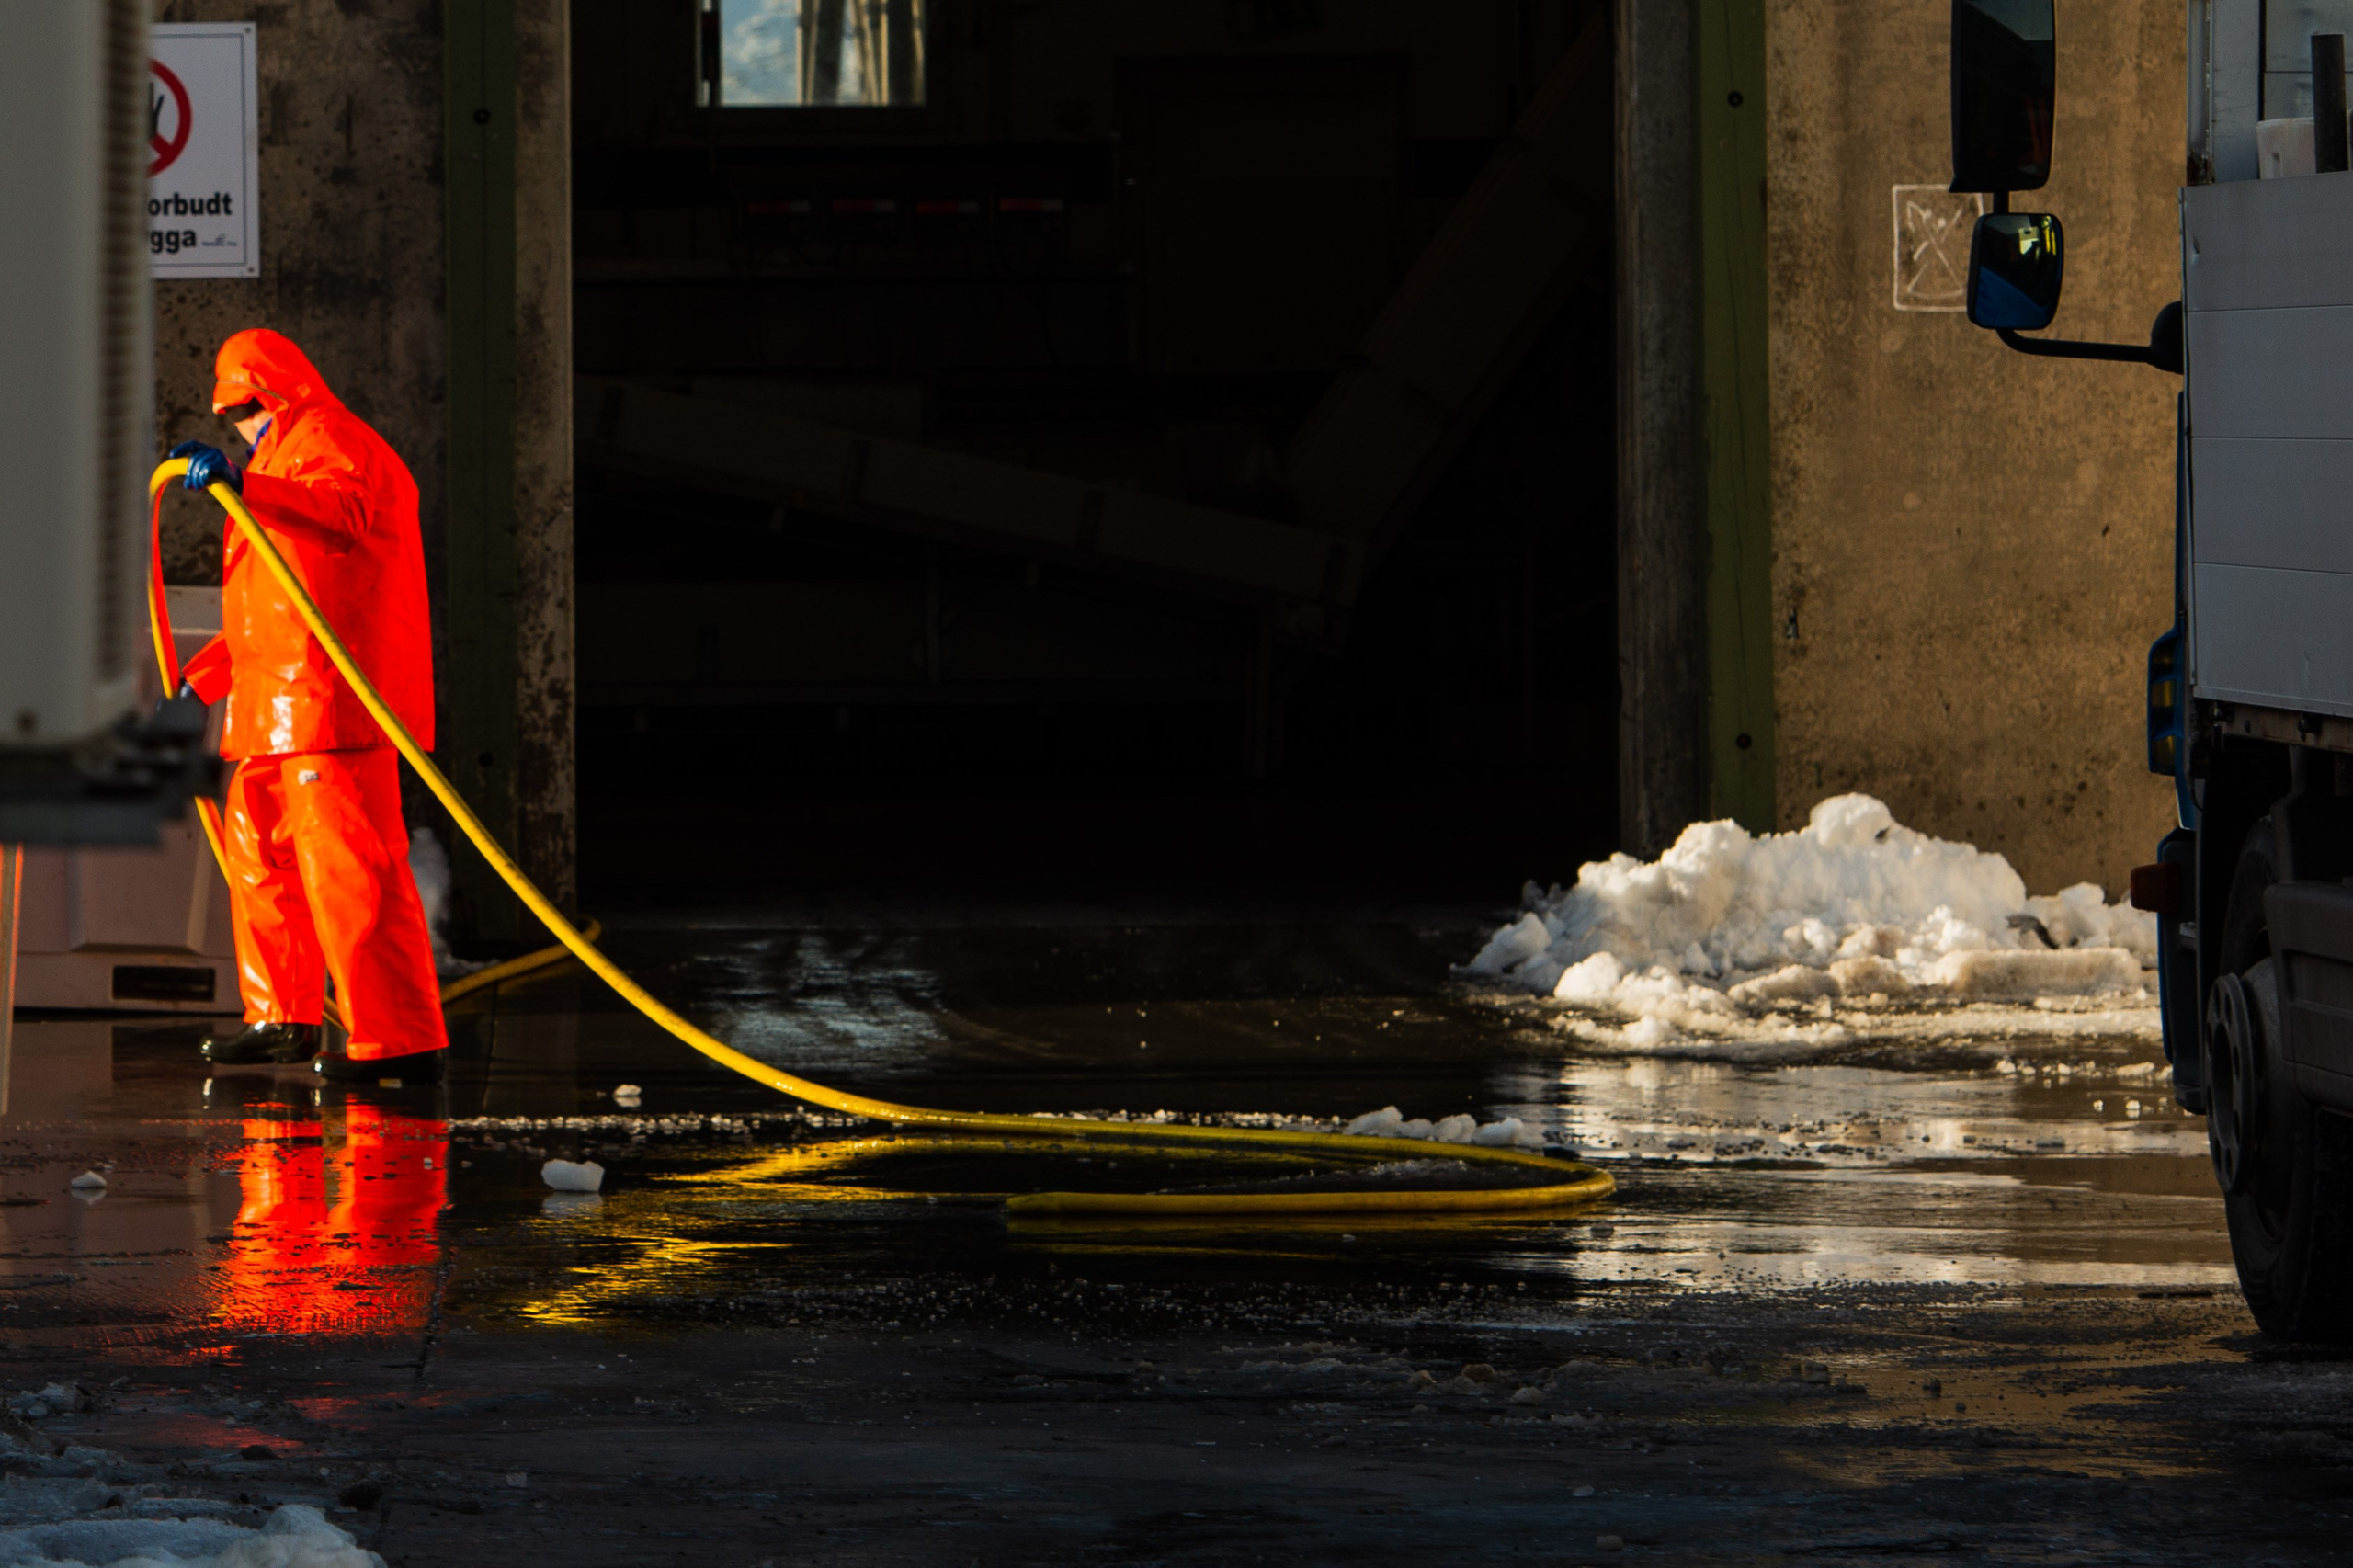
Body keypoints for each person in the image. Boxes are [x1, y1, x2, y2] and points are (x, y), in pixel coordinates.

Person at [177, 328, 449, 1084]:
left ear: (281, 391)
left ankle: (396, 1039)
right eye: (233, 414)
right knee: (260, 861)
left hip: (333, 712)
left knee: (351, 877)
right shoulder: (266, 461)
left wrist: (244, 482)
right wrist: (203, 682)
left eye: (251, 406)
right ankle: (279, 1019)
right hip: (274, 717)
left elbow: (345, 514)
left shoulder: (331, 440)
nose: (244, 423)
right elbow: (277, 605)